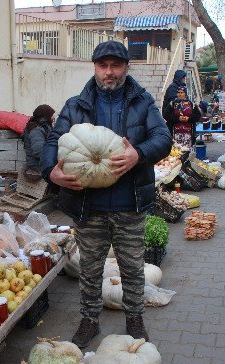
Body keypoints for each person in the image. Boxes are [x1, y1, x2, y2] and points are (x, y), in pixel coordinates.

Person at [40, 41, 171, 348]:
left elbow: (163, 138)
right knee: (90, 268)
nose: (109, 72)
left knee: (132, 267)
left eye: (115, 66)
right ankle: (89, 320)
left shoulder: (143, 102)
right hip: (89, 204)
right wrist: (52, 173)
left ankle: (134, 318)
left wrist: (139, 154)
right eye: (103, 66)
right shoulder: (75, 105)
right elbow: (52, 143)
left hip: (129, 203)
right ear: (95, 67)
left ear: (126, 67)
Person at [23, 104, 55, 175]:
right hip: (37, 164)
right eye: (51, 115)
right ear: (45, 116)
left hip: (44, 161)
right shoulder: (36, 130)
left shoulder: (45, 126)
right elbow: (38, 152)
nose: (53, 117)